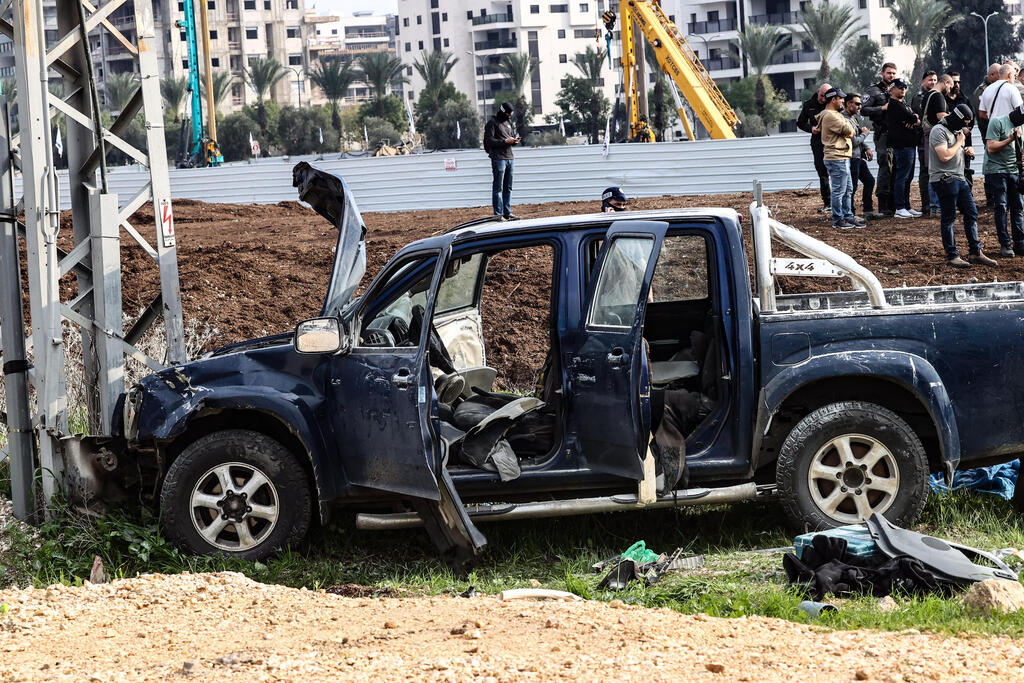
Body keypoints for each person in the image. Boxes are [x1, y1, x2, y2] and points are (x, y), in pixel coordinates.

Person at [929, 104, 997, 268]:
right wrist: (959, 142)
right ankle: (952, 256)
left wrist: (964, 149)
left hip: (959, 178)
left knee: (971, 213)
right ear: (957, 118)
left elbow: (952, 151)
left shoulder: (954, 130)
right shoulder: (939, 131)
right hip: (944, 179)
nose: (965, 127)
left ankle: (975, 252)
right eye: (964, 122)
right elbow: (944, 156)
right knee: (949, 218)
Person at [817, 87, 862, 229]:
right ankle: (838, 220)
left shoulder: (835, 115)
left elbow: (851, 132)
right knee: (839, 190)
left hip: (842, 156)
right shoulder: (831, 116)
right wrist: (848, 128)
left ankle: (847, 217)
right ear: (833, 99)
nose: (843, 101)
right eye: (840, 98)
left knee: (847, 189)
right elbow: (850, 131)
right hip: (837, 157)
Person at [984, 104, 1024, 257]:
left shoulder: (1022, 126)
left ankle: (1019, 243)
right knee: (1001, 207)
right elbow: (991, 147)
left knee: (1018, 208)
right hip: (997, 170)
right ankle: (1005, 243)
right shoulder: (997, 122)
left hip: (1014, 170)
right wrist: (1010, 139)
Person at [862, 63, 898, 216]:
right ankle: (883, 205)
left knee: (896, 168)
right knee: (885, 167)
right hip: (882, 134)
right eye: (889, 73)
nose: (891, 76)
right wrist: (881, 108)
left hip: (896, 134)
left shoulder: (897, 89)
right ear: (882, 73)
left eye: (893, 73)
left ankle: (894, 204)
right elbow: (863, 109)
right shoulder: (873, 90)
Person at [885, 79, 922, 218]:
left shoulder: (903, 104)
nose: (903, 90)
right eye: (900, 87)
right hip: (902, 145)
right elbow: (913, 118)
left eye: (905, 87)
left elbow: (914, 118)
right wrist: (914, 119)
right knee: (902, 176)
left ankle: (906, 205)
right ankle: (899, 207)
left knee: (908, 177)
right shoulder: (894, 105)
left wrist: (914, 118)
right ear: (892, 89)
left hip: (910, 144)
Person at [917, 74, 952, 216]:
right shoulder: (938, 96)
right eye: (950, 86)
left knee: (932, 170)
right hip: (935, 136)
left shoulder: (927, 95)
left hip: (928, 135)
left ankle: (934, 206)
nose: (950, 90)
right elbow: (941, 116)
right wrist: (957, 120)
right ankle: (937, 207)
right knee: (937, 171)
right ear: (946, 83)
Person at [843, 93, 880, 219]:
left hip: (858, 157)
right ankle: (850, 214)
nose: (860, 107)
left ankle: (868, 210)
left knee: (869, 181)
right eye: (857, 104)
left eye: (860, 104)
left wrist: (867, 148)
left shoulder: (853, 118)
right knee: (851, 188)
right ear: (849, 104)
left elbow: (858, 135)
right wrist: (865, 134)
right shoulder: (845, 120)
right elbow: (853, 142)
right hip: (851, 158)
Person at [797, 83, 832, 213]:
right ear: (818, 92)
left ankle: (841, 202)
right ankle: (827, 202)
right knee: (822, 173)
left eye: (826, 96)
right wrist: (811, 129)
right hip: (817, 143)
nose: (823, 99)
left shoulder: (833, 103)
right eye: (822, 95)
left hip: (833, 142)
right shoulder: (808, 105)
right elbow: (800, 123)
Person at [483, 101, 520, 221]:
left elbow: (509, 138)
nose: (510, 116)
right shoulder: (492, 123)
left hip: (510, 157)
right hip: (498, 159)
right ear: (503, 111)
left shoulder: (508, 123)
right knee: (498, 187)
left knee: (508, 187)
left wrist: (513, 142)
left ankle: (507, 212)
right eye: (508, 113)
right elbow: (489, 141)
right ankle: (498, 215)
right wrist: (504, 142)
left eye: (511, 114)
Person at [945, 72, 975, 186]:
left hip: (965, 140)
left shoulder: (965, 99)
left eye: (959, 82)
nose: (957, 85)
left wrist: (967, 129)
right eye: (954, 82)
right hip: (950, 141)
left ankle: (968, 195)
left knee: (966, 169)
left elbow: (972, 118)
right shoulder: (943, 100)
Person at [974, 63, 1001, 140]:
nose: (1002, 76)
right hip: (989, 131)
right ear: (992, 75)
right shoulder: (981, 91)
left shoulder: (999, 86)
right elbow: (982, 114)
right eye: (999, 74)